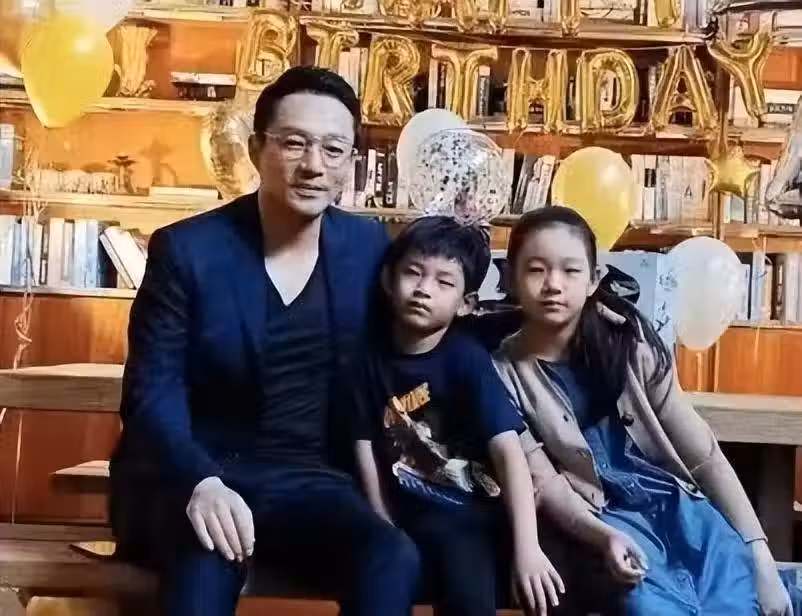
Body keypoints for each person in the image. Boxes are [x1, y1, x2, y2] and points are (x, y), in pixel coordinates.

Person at [109, 66, 421, 616]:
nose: (313, 165)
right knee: (206, 559)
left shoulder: (365, 245)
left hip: (309, 479)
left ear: (350, 162)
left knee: (391, 556)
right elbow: (151, 393)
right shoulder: (187, 250)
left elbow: (427, 327)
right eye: (294, 143)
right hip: (197, 472)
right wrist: (199, 481)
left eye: (333, 149)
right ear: (257, 150)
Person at [492, 206, 793, 615]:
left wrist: (761, 558)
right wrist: (603, 537)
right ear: (510, 278)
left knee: (739, 600)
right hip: (605, 519)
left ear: (595, 279)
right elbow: (545, 484)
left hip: (682, 509)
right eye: (536, 270)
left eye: (571, 270)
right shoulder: (502, 372)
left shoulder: (630, 343)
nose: (553, 285)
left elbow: (703, 456)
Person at [351, 215, 565, 616]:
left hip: (468, 519)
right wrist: (382, 523)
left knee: (469, 595)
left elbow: (509, 452)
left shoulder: (466, 359)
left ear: (467, 303)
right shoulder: (366, 360)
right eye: (413, 273)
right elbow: (363, 446)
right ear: (388, 280)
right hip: (407, 517)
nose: (423, 289)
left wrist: (528, 547)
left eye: (444, 282)